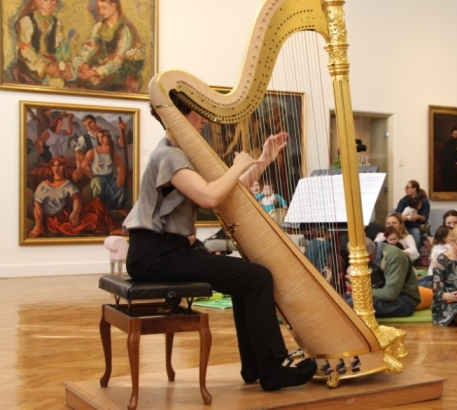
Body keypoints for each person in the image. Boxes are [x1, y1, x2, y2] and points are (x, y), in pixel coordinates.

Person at [123, 100, 317, 391]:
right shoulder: (170, 156)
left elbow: (226, 194)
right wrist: (239, 164)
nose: (203, 120)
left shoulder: (179, 154)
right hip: (156, 254)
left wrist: (262, 160)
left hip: (165, 251)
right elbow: (210, 198)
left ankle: (256, 365)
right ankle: (271, 368)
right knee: (257, 277)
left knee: (248, 277)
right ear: (179, 116)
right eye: (196, 113)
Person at [29, 156, 123, 238]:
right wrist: (38, 225)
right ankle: (109, 227)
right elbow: (37, 206)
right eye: (53, 165)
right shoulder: (44, 185)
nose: (56, 168)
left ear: (64, 168)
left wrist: (75, 213)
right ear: (51, 168)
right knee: (95, 219)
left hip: (67, 213)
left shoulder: (66, 183)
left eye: (59, 165)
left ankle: (115, 228)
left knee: (97, 202)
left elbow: (76, 198)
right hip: (57, 221)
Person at [72, 0, 145, 92]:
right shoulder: (97, 27)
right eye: (99, 8)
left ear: (114, 5)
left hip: (113, 73)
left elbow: (118, 60)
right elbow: (89, 48)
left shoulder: (124, 30)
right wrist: (84, 63)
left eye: (104, 8)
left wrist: (97, 72)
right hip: (95, 67)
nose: (100, 12)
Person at [346, 237, 421, 317]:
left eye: (354, 257)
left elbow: (390, 293)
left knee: (358, 304)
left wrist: (360, 291)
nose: (353, 261)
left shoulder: (393, 257)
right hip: (380, 297)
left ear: (367, 255)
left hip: (403, 301)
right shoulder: (368, 259)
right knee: (346, 300)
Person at [9, 0, 73, 87]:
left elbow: (60, 49)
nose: (49, 4)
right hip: (31, 68)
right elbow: (25, 51)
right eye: (45, 0)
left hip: (52, 69)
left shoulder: (57, 23)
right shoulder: (27, 21)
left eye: (53, 1)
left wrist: (63, 66)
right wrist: (45, 66)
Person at [431, 224, 457, 326]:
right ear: (451, 241)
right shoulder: (443, 260)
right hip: (450, 301)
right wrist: (447, 295)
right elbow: (437, 291)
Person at [76, 128, 126, 210]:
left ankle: (117, 209)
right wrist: (92, 176)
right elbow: (84, 165)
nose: (100, 139)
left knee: (120, 186)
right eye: (99, 137)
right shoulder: (93, 151)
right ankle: (104, 208)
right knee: (100, 183)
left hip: (109, 178)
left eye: (103, 137)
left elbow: (120, 165)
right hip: (98, 178)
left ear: (108, 137)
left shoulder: (112, 151)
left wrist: (121, 175)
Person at [396, 180, 430, 248]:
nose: (405, 190)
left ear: (414, 189)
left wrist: (418, 217)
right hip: (403, 226)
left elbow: (425, 218)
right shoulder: (403, 201)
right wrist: (402, 217)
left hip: (416, 226)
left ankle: (414, 253)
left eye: (407, 187)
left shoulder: (424, 201)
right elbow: (396, 216)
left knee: (416, 232)